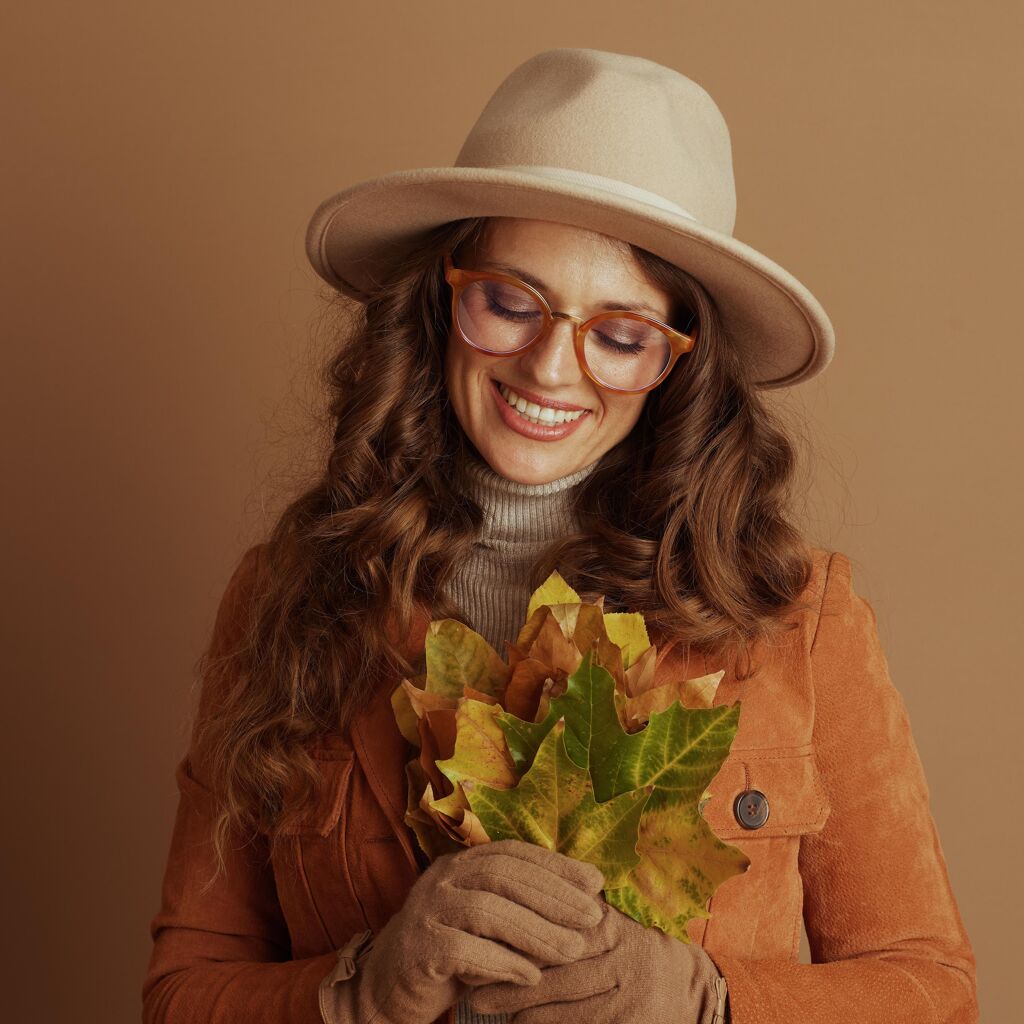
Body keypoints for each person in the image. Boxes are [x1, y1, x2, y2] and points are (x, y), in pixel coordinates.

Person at [142, 48, 979, 1024]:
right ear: (442, 301)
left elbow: (933, 988)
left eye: (619, 333)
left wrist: (705, 1000)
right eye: (509, 300)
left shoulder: (797, 620)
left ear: (677, 364)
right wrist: (360, 989)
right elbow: (182, 992)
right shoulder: (290, 593)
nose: (549, 366)